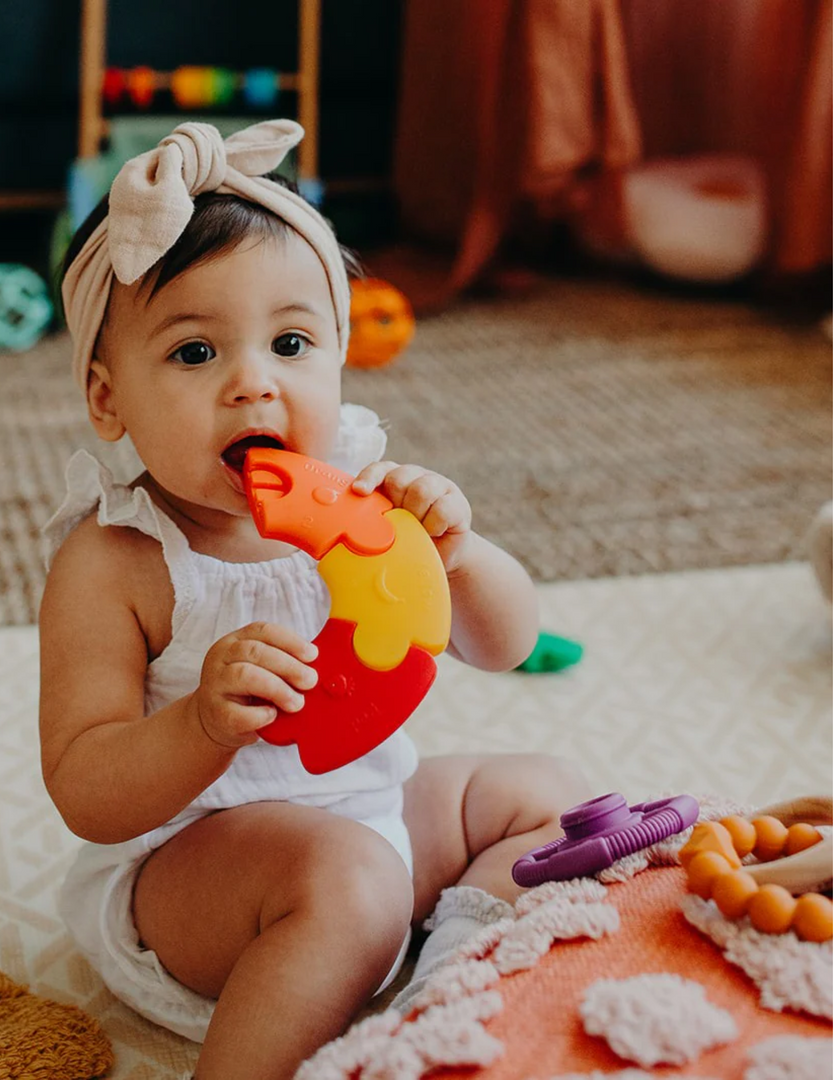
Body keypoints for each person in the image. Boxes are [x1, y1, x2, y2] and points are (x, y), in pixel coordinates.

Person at [39, 119, 589, 1080]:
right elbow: (87, 789)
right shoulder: (117, 559)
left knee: (548, 794)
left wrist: (455, 555)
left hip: (368, 811)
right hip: (198, 874)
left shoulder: (372, 499)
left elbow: (508, 644)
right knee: (350, 878)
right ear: (108, 398)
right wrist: (202, 723)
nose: (254, 385)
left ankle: (454, 975)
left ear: (339, 357)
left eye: (291, 342)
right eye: (195, 353)